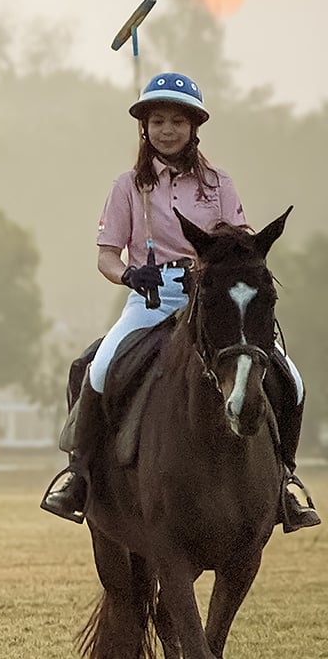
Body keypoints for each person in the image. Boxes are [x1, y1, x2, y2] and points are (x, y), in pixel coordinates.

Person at [40, 72, 320, 532]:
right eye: (157, 121)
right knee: (96, 365)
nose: (167, 130)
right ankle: (79, 475)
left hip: (211, 300)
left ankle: (285, 479)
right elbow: (106, 257)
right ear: (144, 128)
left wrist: (213, 268)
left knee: (292, 377)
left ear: (194, 128)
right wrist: (131, 274)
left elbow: (239, 244)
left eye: (177, 121)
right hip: (150, 298)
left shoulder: (218, 184)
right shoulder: (127, 187)